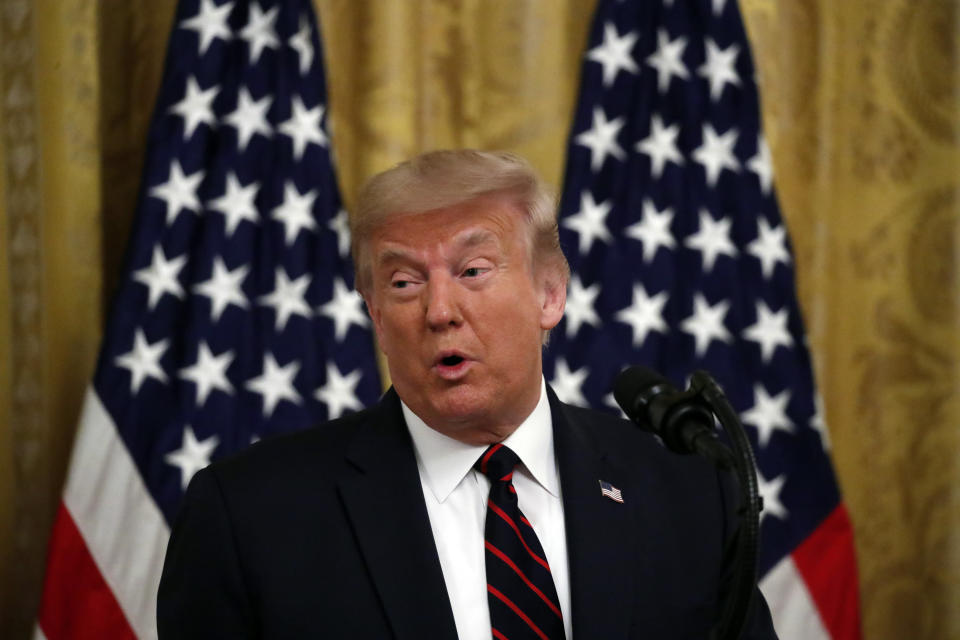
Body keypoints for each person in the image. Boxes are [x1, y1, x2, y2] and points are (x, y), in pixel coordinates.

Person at [157, 150, 778, 639]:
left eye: (473, 271)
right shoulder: (249, 515)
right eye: (403, 283)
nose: (439, 310)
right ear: (375, 314)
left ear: (549, 295)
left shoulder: (689, 492)